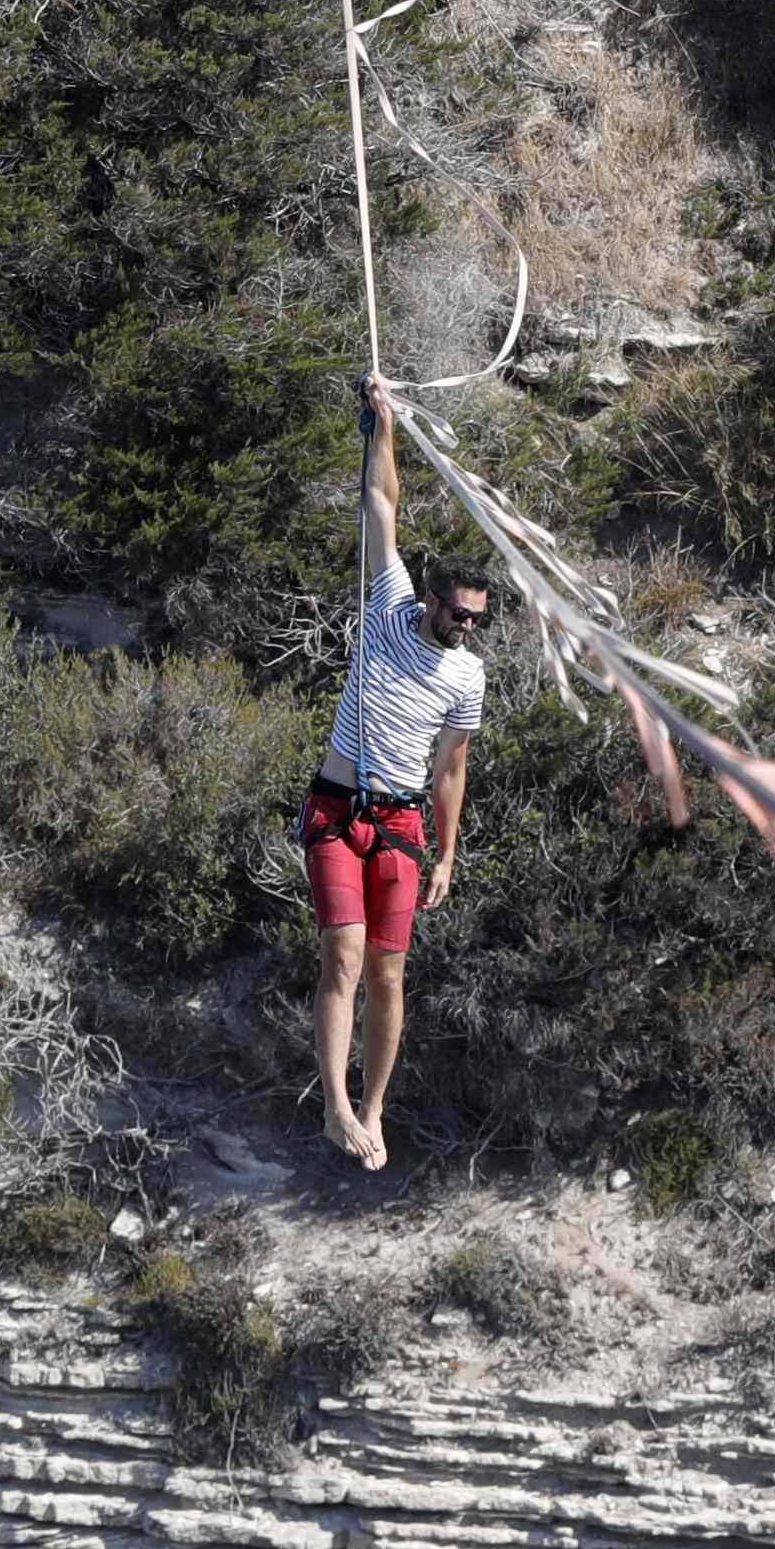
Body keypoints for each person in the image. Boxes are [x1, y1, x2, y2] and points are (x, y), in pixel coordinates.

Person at [304, 377, 490, 1171]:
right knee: (342, 953)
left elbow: (451, 770)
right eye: (458, 613)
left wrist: (448, 854)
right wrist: (381, 424)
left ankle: (374, 1107)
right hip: (338, 808)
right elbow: (381, 506)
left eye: (478, 619)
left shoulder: (467, 677)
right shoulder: (389, 606)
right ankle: (335, 1105)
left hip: (403, 823)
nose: (465, 626)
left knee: (389, 970)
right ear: (434, 599)